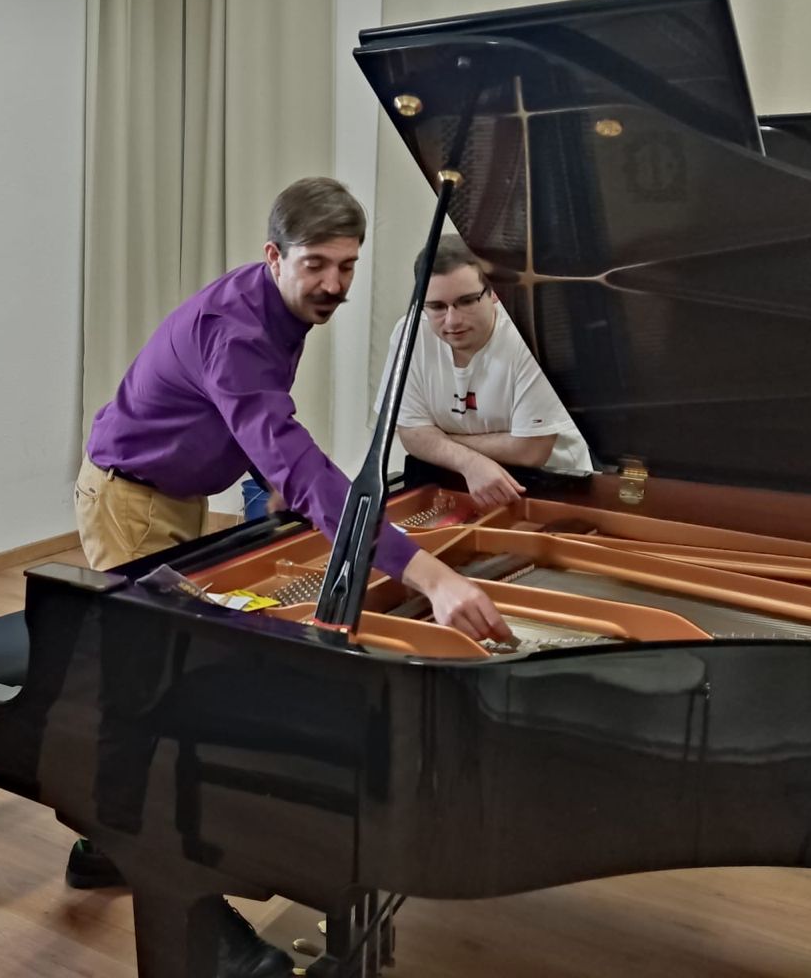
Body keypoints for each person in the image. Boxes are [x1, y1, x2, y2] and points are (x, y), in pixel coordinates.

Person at [74, 176, 511, 978]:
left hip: (179, 494)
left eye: (348, 266)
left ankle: (113, 837)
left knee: (158, 677)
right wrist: (429, 575)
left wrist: (273, 492)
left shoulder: (282, 309)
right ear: (273, 255)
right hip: (131, 501)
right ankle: (121, 844)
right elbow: (288, 448)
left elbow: (260, 428)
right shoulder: (236, 328)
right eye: (317, 265)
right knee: (144, 682)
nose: (335, 285)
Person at [386, 235, 593, 508]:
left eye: (467, 301)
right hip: (452, 482)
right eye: (436, 306)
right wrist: (469, 462)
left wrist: (440, 440)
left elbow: (530, 450)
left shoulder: (533, 337)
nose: (452, 320)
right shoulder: (409, 333)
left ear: (494, 292)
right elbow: (411, 435)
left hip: (555, 490)